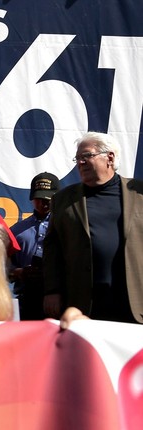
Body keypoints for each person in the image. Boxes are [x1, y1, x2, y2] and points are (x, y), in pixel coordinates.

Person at [44, 131, 143, 324]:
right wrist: (52, 290)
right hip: (85, 304)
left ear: (110, 157)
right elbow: (52, 250)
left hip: (135, 303)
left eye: (86, 156)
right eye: (78, 158)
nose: (80, 163)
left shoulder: (139, 193)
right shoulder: (63, 200)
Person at [9, 172, 60, 320]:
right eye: (39, 198)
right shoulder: (17, 230)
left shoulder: (67, 226)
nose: (44, 203)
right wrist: (18, 272)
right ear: (32, 198)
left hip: (59, 298)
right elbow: (3, 267)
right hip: (26, 300)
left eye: (48, 198)